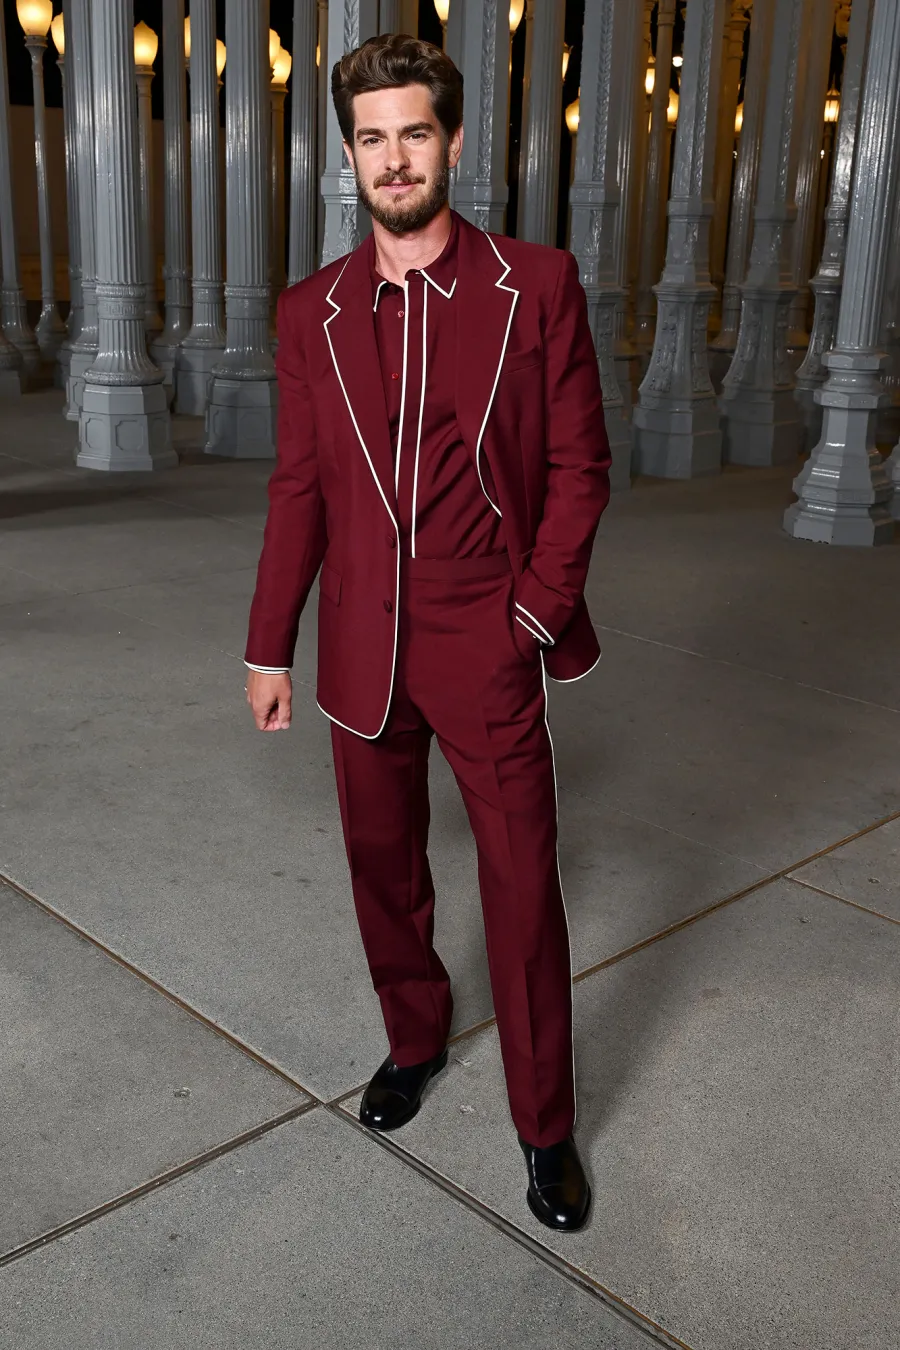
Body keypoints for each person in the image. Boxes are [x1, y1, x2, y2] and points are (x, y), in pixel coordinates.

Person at [244, 33, 611, 1232]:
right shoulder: (313, 311)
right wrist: (268, 645)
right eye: (371, 138)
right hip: (360, 641)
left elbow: (579, 469)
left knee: (519, 885)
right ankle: (413, 1040)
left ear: (452, 142)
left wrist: (532, 616)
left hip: (484, 632)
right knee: (383, 869)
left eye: (413, 132)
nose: (393, 158)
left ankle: (545, 1126)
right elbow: (298, 485)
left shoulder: (537, 285)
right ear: (348, 156)